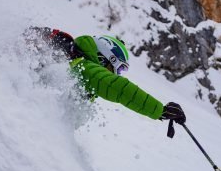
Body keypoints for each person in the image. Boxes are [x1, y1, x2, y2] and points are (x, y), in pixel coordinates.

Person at [24, 27, 186, 123]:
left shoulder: (74, 63)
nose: (117, 74)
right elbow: (119, 87)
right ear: (106, 58)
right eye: (118, 69)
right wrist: (160, 110)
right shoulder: (85, 67)